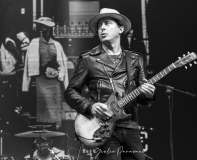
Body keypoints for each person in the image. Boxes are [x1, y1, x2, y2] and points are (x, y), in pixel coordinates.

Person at [64, 8, 156, 160]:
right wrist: (90, 106)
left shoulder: (135, 59)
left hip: (130, 125)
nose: (102, 28)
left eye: (107, 24)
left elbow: (142, 100)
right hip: (103, 127)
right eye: (100, 26)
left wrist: (149, 95)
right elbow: (70, 92)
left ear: (120, 29)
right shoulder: (88, 59)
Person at [22, 17, 69, 129]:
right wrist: (25, 87)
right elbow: (28, 65)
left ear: (49, 28)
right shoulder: (34, 43)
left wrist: (61, 78)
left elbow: (63, 65)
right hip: (41, 81)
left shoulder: (57, 44)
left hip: (55, 82)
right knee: (44, 108)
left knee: (55, 108)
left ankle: (55, 132)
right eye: (40, 26)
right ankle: (44, 131)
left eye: (44, 26)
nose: (41, 29)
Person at [0, 25, 23, 123]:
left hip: (4, 71)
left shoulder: (3, 41)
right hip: (9, 70)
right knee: (13, 92)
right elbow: (14, 50)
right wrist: (20, 60)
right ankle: (13, 111)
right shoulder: (9, 40)